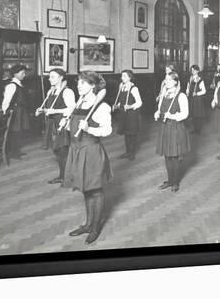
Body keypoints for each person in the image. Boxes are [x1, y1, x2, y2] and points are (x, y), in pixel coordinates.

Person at [63, 71, 112, 244]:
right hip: (76, 150)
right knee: (85, 188)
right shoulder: (79, 102)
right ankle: (88, 224)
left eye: (83, 83)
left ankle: (96, 226)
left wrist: (88, 128)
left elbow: (107, 131)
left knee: (95, 190)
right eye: (78, 83)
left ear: (93, 86)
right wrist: (67, 123)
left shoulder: (102, 107)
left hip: (91, 152)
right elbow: (75, 126)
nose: (79, 86)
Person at [35, 68, 75, 185]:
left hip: (62, 123)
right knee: (57, 151)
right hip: (51, 124)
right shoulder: (51, 91)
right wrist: (41, 110)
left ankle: (67, 177)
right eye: (49, 77)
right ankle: (63, 176)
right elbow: (49, 108)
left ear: (61, 77)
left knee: (63, 151)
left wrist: (54, 110)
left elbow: (72, 109)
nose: (49, 79)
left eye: (53, 76)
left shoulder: (67, 91)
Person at [154, 71, 190, 192]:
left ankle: (175, 182)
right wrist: (157, 113)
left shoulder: (181, 96)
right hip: (165, 127)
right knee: (167, 156)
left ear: (175, 82)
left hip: (175, 128)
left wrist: (172, 115)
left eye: (169, 80)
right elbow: (160, 109)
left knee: (174, 156)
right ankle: (169, 180)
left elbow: (185, 114)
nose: (166, 82)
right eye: (165, 80)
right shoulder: (165, 94)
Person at [112, 69, 143, 160]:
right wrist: (117, 105)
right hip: (123, 114)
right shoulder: (121, 86)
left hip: (132, 114)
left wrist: (130, 106)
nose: (122, 78)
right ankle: (127, 152)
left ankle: (132, 153)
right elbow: (121, 99)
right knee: (126, 133)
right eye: (122, 76)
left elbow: (139, 102)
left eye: (125, 76)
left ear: (130, 77)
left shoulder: (134, 88)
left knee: (131, 134)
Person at [1, 64, 29, 159]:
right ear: (15, 74)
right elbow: (6, 101)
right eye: (22, 73)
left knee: (19, 131)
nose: (24, 75)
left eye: (24, 73)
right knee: (14, 132)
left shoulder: (20, 84)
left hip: (21, 111)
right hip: (15, 112)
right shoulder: (11, 85)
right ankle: (13, 153)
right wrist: (5, 113)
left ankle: (17, 151)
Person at [186, 65, 207, 134]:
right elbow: (188, 87)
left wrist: (197, 93)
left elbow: (204, 91)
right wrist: (187, 91)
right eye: (191, 70)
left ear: (197, 71)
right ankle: (194, 128)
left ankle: (198, 129)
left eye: (194, 70)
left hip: (198, 99)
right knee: (193, 114)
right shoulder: (190, 78)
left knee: (198, 114)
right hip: (191, 98)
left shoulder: (200, 79)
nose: (193, 72)